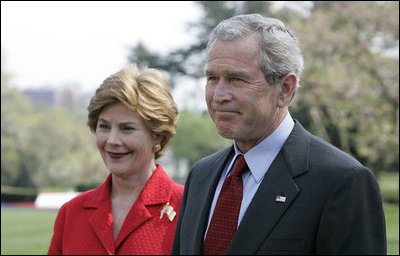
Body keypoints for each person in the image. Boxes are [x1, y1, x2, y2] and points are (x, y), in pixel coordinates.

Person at [172, 14, 386, 255]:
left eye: (236, 79)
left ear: (285, 89)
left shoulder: (343, 182)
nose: (218, 95)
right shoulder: (201, 174)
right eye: (212, 78)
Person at [48, 64, 183, 255]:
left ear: (158, 136)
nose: (112, 140)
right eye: (104, 126)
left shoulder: (188, 208)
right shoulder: (71, 213)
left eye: (127, 128)